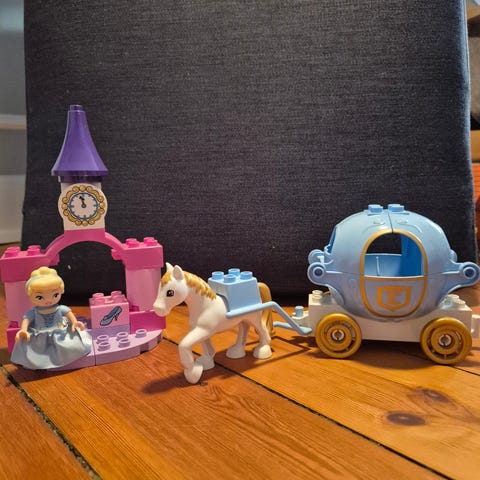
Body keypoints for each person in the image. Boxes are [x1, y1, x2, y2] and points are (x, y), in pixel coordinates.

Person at [11, 266, 92, 369]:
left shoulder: (60, 308)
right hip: (41, 335)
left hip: (60, 333)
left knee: (72, 345)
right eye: (40, 297)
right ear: (30, 295)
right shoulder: (34, 312)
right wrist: (23, 330)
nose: (48, 300)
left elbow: (69, 314)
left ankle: (65, 358)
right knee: (36, 353)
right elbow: (26, 319)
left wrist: (74, 322)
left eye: (55, 295)